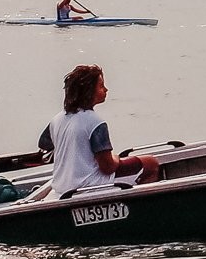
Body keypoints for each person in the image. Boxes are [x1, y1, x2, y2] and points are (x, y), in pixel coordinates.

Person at [39, 64, 159, 195]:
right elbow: (108, 167)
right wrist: (116, 157)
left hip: (62, 187)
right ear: (89, 91)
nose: (106, 90)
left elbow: (44, 145)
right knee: (151, 163)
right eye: (101, 86)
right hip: (91, 184)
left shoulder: (57, 120)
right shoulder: (95, 122)